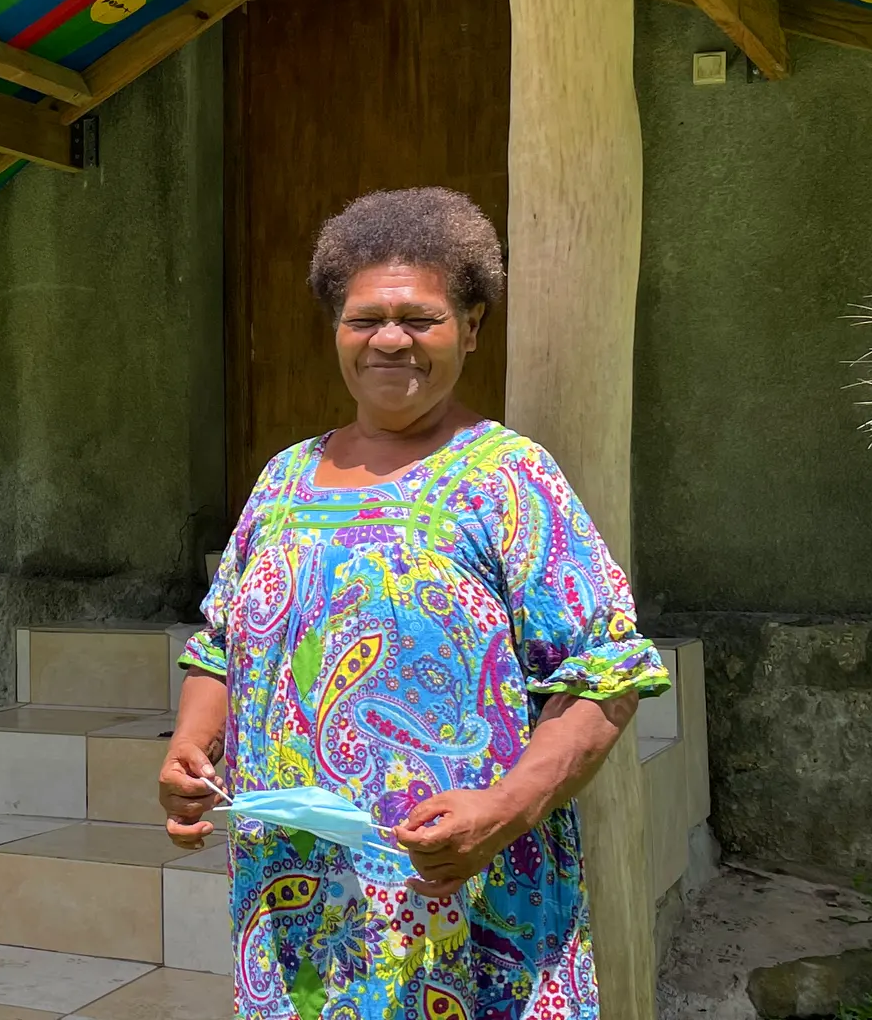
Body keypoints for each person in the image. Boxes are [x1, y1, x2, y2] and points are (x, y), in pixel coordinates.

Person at [158, 187, 671, 1020]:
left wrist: (506, 811)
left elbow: (606, 671)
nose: (390, 338)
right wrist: (190, 747)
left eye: (421, 318)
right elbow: (219, 645)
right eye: (365, 318)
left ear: (470, 327)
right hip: (298, 912)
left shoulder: (508, 479)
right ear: (335, 330)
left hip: (468, 907)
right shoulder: (282, 481)